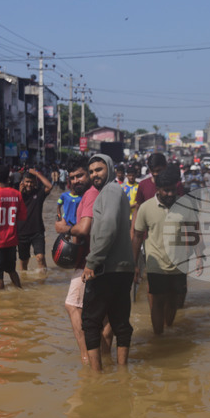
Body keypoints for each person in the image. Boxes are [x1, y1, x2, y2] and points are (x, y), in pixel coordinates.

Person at [132, 165, 203, 335]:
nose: (170, 194)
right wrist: (133, 264)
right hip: (155, 263)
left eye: (173, 190)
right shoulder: (146, 208)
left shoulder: (185, 205)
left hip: (179, 263)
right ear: (158, 189)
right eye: (166, 190)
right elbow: (137, 236)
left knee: (173, 301)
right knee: (157, 300)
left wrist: (199, 257)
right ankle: (159, 337)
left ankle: (168, 329)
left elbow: (194, 232)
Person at [81, 154, 135, 372]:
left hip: (107, 269)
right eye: (91, 171)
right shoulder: (115, 191)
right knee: (120, 322)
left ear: (109, 169)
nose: (95, 174)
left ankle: (96, 375)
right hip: (121, 269)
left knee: (90, 322)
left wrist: (92, 261)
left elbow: (109, 226)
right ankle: (122, 373)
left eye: (99, 170)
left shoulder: (111, 191)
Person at [54, 161, 111, 365]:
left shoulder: (90, 195)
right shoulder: (99, 193)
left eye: (80, 176)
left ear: (89, 174)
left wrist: (63, 229)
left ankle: (87, 357)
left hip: (89, 259)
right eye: (72, 177)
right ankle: (105, 358)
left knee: (72, 305)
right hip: (103, 259)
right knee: (104, 314)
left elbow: (84, 228)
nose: (76, 180)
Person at [17, 167, 54, 271]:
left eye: (31, 182)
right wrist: (20, 194)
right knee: (24, 261)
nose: (29, 184)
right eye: (27, 182)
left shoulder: (39, 193)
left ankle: (43, 280)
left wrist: (37, 173)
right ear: (22, 182)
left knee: (40, 258)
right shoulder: (17, 195)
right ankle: (24, 279)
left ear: (35, 183)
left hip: (37, 232)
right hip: (21, 233)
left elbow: (50, 186)